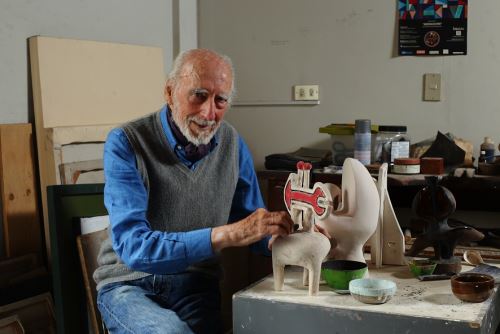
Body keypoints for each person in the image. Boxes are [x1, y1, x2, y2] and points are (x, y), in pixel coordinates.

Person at [93, 48, 295, 334]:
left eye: (220, 100)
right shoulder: (126, 142)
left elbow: (254, 228)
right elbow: (133, 247)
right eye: (198, 95)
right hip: (129, 285)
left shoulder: (233, 146)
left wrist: (286, 237)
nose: (208, 112)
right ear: (169, 91)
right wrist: (226, 234)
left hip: (195, 286)